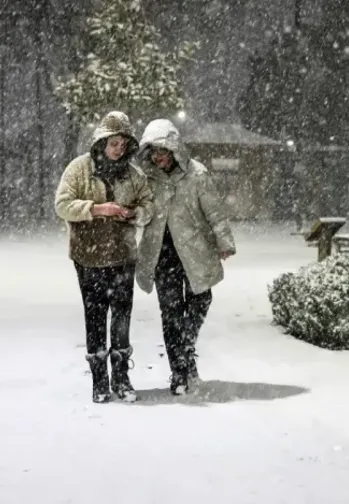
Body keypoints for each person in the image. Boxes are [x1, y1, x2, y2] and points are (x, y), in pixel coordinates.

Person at [54, 111, 154, 404]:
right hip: (89, 257)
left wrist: (135, 213)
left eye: (123, 144)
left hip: (123, 256)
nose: (118, 150)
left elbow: (149, 204)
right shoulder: (79, 169)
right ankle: (100, 381)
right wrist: (97, 209)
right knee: (95, 317)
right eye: (113, 143)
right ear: (101, 142)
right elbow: (62, 204)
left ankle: (122, 378)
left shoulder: (134, 175)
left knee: (122, 318)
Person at [135, 118, 236, 395]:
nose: (159, 157)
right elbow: (139, 211)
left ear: (175, 149)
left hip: (195, 252)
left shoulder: (197, 175)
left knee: (201, 299)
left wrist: (224, 241)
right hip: (161, 256)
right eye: (154, 152)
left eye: (164, 151)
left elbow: (214, 212)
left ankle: (186, 345)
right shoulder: (146, 179)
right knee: (170, 314)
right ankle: (179, 372)